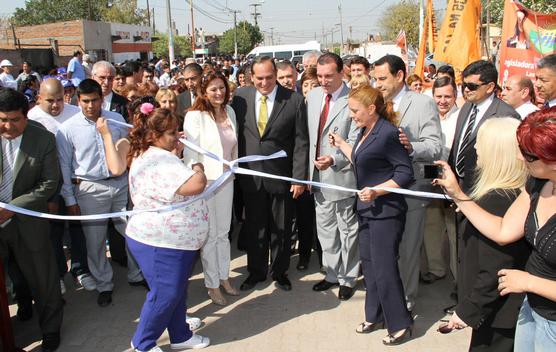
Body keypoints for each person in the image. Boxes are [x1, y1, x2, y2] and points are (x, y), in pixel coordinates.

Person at [434, 107, 556, 351]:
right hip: (530, 311)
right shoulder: (537, 183)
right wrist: (459, 196)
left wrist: (530, 282)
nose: (520, 158)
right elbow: (503, 231)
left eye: (529, 155)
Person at [329, 85, 414, 345]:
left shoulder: (388, 133)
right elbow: (362, 160)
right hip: (366, 210)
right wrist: (342, 146)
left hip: (386, 213)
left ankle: (400, 323)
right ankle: (374, 315)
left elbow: (405, 173)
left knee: (385, 267)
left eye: (355, 110)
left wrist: (377, 191)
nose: (351, 115)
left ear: (371, 109)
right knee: (370, 265)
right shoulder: (365, 130)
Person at [127, 107, 210, 352]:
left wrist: (178, 154)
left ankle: (180, 335)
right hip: (160, 243)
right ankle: (142, 342)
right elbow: (196, 184)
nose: (178, 136)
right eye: (172, 133)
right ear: (154, 135)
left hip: (176, 242)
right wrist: (198, 166)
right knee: (166, 294)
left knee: (176, 292)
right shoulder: (157, 160)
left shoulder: (162, 155)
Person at [56, 79, 145, 307]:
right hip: (90, 188)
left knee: (131, 231)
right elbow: (65, 165)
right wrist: (69, 198)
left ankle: (137, 275)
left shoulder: (115, 120)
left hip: (119, 183)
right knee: (95, 242)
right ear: (78, 100)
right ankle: (104, 284)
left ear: (100, 99)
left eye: (94, 100)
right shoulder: (67, 129)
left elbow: (129, 148)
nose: (90, 105)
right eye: (85, 101)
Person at [231, 56, 309, 292]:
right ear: (251, 77)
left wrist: (298, 178)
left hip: (281, 177)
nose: (264, 83)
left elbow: (300, 142)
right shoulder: (240, 99)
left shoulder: (293, 100)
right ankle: (256, 272)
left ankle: (279, 271)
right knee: (255, 228)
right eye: (259, 79)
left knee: (281, 227)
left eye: (269, 77)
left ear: (276, 75)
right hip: (251, 178)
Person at [374, 54, 442, 312]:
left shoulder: (422, 104)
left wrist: (410, 146)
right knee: (385, 249)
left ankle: (406, 301)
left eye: (383, 78)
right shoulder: (375, 103)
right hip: (380, 187)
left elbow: (435, 146)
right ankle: (385, 296)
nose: (377, 84)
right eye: (375, 78)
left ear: (400, 76)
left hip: (411, 187)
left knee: (408, 248)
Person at [0, 87, 63, 352]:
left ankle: (50, 330)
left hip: (28, 221)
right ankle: (18, 310)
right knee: (10, 279)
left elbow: (49, 183)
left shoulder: (43, 139)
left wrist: (11, 208)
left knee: (43, 279)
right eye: (2, 119)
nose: (8, 125)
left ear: (26, 116)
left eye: (14, 120)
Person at [27, 78, 95, 292]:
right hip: (47, 186)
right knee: (53, 233)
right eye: (50, 101)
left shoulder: (76, 113)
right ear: (39, 99)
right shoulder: (30, 119)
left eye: (59, 100)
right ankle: (57, 273)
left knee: (78, 229)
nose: (56, 105)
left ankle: (80, 269)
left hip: (73, 182)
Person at [306, 52, 359, 300]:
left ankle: (348, 278)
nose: (323, 81)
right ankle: (331, 273)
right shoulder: (314, 96)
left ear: (341, 73)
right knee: (325, 229)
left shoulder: (353, 100)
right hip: (316, 177)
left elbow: (357, 141)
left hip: (342, 175)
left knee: (347, 229)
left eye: (329, 76)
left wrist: (334, 159)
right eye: (319, 76)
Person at [183, 72, 239, 306]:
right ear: (204, 92)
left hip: (227, 179)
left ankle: (224, 276)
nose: (219, 93)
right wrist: (198, 175)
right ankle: (212, 284)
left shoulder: (231, 112)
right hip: (206, 182)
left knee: (223, 233)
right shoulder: (195, 116)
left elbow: (233, 147)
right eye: (214, 89)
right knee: (210, 234)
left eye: (222, 88)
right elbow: (190, 150)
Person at [420, 76, 460, 286]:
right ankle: (436, 269)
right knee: (431, 226)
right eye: (439, 96)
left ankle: (458, 277)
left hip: (453, 180)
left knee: (454, 231)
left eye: (448, 96)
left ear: (455, 96)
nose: (443, 101)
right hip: (431, 176)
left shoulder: (461, 118)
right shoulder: (427, 116)